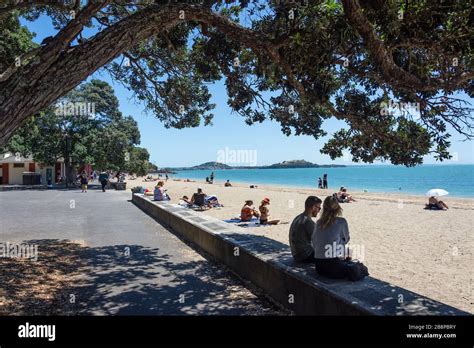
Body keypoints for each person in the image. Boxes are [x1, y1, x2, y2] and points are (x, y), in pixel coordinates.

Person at [312, 195, 352, 279]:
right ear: (337, 208)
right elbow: (347, 239)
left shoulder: (319, 222)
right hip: (333, 266)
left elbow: (314, 242)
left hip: (319, 266)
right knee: (359, 268)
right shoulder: (341, 221)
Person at [289, 196, 322, 263]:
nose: (319, 211)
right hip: (305, 256)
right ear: (313, 207)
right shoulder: (308, 222)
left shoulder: (298, 217)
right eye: (319, 208)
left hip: (295, 254)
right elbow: (319, 242)